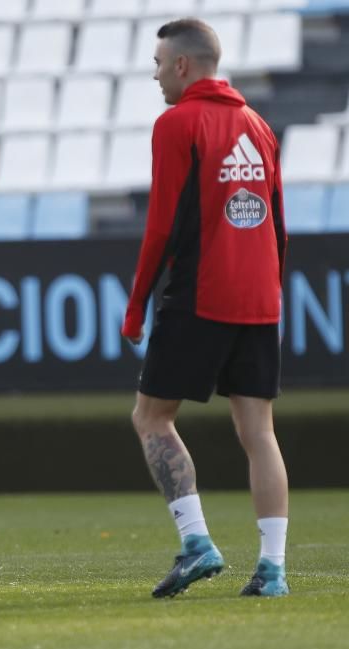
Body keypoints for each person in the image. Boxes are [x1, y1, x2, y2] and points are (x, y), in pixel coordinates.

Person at [122, 18, 289, 598]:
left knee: (152, 417)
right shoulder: (259, 126)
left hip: (201, 294)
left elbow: (161, 223)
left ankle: (197, 543)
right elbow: (278, 222)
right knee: (258, 432)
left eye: (159, 63)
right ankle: (272, 570)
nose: (156, 72)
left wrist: (139, 302)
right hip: (260, 298)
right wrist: (273, 289)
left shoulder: (178, 123)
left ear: (183, 66)